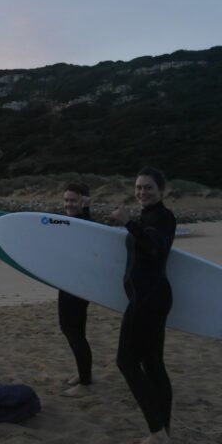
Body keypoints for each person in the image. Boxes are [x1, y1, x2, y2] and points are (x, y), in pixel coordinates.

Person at [110, 167, 175, 444]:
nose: (142, 192)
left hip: (148, 300)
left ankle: (157, 432)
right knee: (152, 364)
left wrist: (128, 223)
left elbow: (155, 248)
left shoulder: (164, 217)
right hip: (150, 298)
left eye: (148, 187)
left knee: (125, 361)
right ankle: (164, 432)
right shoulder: (148, 216)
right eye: (138, 187)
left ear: (161, 190)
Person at [58, 183, 93, 397]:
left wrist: (88, 210)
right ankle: (84, 374)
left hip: (79, 285)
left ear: (83, 201)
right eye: (66, 200)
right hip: (68, 281)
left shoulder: (85, 222)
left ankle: (85, 382)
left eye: (73, 200)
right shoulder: (69, 221)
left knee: (74, 331)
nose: (69, 204)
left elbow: (87, 231)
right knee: (70, 329)